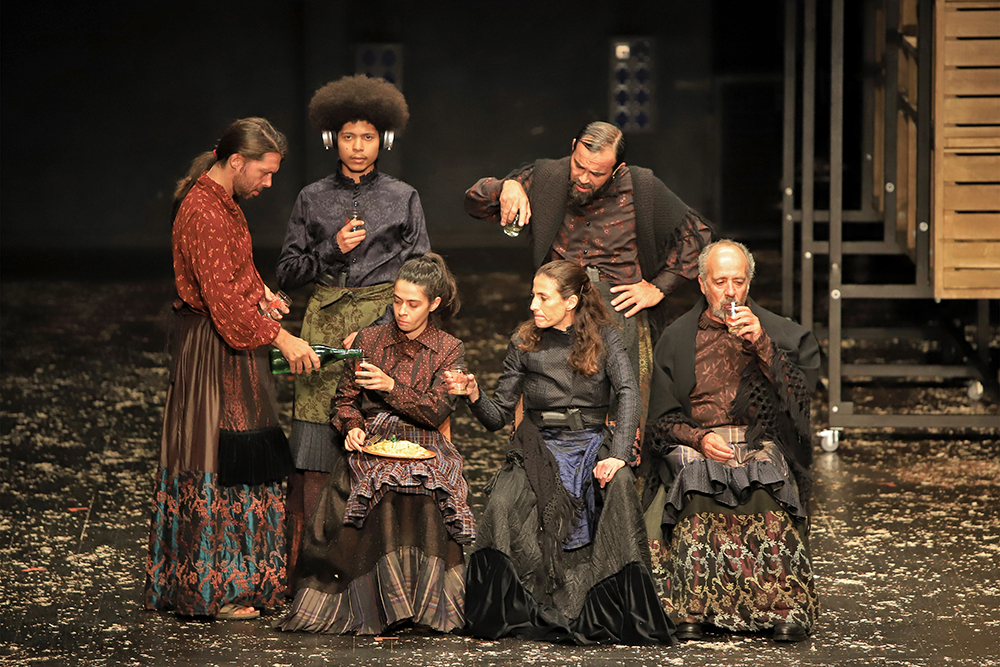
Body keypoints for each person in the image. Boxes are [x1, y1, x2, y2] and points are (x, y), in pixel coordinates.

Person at [144, 117, 321, 620]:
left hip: (234, 343)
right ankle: (215, 588)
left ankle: (242, 581)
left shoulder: (224, 203)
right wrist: (282, 337)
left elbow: (234, 271)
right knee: (221, 458)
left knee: (244, 454)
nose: (269, 183)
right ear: (237, 161)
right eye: (264, 172)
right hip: (214, 349)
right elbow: (221, 302)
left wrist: (262, 293)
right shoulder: (203, 211)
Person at [449, 260, 675, 645]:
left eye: (543, 297)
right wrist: (473, 394)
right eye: (532, 296)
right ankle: (515, 608)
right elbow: (497, 416)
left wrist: (619, 454)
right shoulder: (525, 341)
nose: (533, 305)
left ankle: (616, 609)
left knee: (619, 483)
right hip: (539, 446)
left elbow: (628, 393)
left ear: (570, 302)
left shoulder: (606, 337)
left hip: (592, 442)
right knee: (502, 501)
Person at [465, 121, 712, 456]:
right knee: (550, 401)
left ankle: (618, 479)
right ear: (573, 147)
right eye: (579, 165)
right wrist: (506, 186)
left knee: (623, 408)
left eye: (596, 173)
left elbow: (697, 234)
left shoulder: (641, 186)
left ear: (617, 168)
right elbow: (475, 203)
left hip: (619, 310)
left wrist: (658, 287)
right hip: (558, 310)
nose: (583, 177)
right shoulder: (548, 177)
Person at [275, 75, 431, 585]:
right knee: (317, 447)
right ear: (331, 139)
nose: (358, 147)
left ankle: (378, 570)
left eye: (367, 137)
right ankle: (313, 572)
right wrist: (331, 249)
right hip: (323, 329)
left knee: (380, 437)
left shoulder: (404, 197)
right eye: (348, 137)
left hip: (386, 326)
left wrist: (380, 330)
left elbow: (424, 272)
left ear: (384, 140)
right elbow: (287, 273)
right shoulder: (312, 197)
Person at [276, 253, 473, 635]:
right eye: (397, 301)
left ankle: (424, 603)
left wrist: (391, 386)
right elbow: (344, 401)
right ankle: (377, 603)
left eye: (412, 304)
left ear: (433, 304)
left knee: (427, 485)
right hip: (374, 436)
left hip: (425, 437)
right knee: (376, 484)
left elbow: (437, 410)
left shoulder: (449, 348)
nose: (402, 311)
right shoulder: (370, 339)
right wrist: (350, 426)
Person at [641, 240, 820, 642]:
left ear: (748, 283)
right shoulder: (678, 337)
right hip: (699, 442)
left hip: (757, 439)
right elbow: (661, 418)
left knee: (765, 485)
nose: (730, 291)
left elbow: (800, 402)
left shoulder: (774, 331)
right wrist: (700, 438)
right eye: (720, 282)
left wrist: (763, 345)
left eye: (738, 281)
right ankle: (692, 608)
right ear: (702, 284)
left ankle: (783, 608)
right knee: (698, 484)